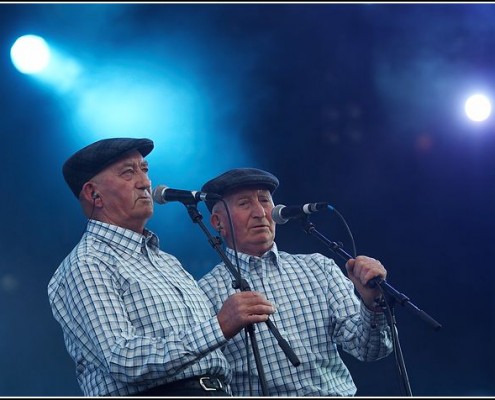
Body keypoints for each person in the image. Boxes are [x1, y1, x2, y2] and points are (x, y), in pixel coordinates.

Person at [47, 139, 276, 397]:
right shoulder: (88, 263)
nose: (145, 182)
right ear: (93, 194)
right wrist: (219, 326)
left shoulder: (167, 261)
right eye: (128, 172)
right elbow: (124, 359)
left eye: (145, 170)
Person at [197, 167, 394, 396]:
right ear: (217, 222)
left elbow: (370, 349)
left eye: (264, 200)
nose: (260, 212)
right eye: (244, 203)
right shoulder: (203, 293)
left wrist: (372, 303)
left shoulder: (319, 268)